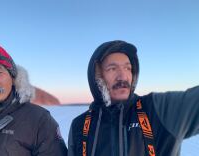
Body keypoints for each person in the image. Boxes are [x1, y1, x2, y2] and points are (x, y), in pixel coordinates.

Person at [68, 40, 199, 156]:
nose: (123, 76)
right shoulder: (80, 126)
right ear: (98, 77)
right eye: (112, 68)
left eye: (127, 68)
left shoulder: (157, 110)